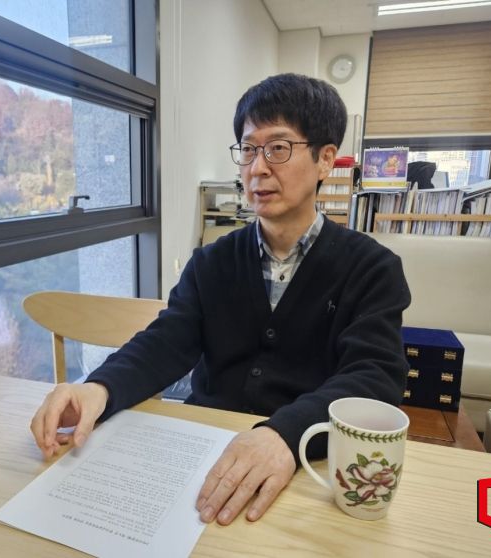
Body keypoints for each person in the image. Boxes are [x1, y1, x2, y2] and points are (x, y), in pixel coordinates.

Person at [30, 73, 411, 526]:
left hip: (306, 465)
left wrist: (284, 435)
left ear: (326, 159)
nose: (258, 168)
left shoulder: (372, 268)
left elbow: (375, 376)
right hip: (203, 455)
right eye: (249, 149)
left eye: (279, 148)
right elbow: (166, 341)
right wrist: (99, 387)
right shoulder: (212, 262)